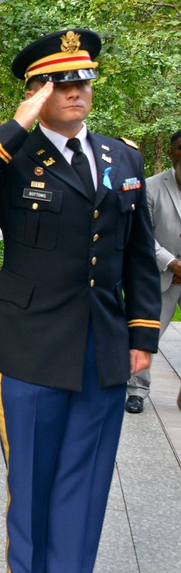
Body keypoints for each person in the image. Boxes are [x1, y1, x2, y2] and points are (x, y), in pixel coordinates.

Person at [0, 29, 160, 573]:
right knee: (30, 470)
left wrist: (144, 335)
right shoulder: (14, 158)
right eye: (62, 82)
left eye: (84, 79)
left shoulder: (123, 158)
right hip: (29, 340)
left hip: (104, 342)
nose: (78, 90)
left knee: (86, 472)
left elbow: (138, 255)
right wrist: (13, 127)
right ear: (36, 92)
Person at [125, 129, 181, 414]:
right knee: (146, 333)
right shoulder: (150, 187)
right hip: (159, 274)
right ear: (171, 153)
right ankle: (136, 391)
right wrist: (172, 263)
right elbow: (143, 235)